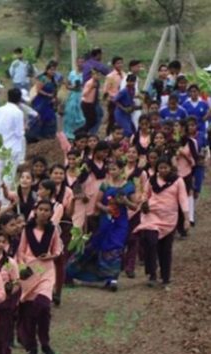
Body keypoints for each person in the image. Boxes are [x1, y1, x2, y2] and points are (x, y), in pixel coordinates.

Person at [67, 158, 137, 291]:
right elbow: (97, 202)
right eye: (110, 169)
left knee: (116, 247)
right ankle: (75, 271)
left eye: (114, 169)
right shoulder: (105, 185)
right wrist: (106, 209)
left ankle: (113, 278)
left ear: (121, 170)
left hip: (120, 222)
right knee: (102, 246)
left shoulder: (129, 186)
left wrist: (126, 202)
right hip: (106, 221)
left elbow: (134, 206)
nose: (112, 172)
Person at [134, 157, 189, 287]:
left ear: (170, 168)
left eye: (165, 168)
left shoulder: (177, 181)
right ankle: (152, 273)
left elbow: (183, 199)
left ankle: (165, 277)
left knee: (165, 248)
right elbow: (145, 195)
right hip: (152, 215)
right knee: (150, 242)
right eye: (160, 168)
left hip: (169, 218)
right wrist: (143, 202)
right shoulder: (152, 180)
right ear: (157, 169)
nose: (163, 170)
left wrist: (186, 218)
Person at [17, 200, 62, 354]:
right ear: (35, 211)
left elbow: (57, 249)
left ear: (51, 213)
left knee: (42, 306)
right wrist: (22, 267)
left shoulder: (53, 230)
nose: (43, 212)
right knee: (29, 310)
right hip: (31, 269)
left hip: (46, 268)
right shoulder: (27, 230)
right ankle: (32, 344)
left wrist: (50, 255)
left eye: (47, 210)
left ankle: (45, 341)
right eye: (40, 209)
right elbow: (21, 251)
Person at [0, 88, 28, 184]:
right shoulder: (18, 113)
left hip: (0, 147)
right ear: (20, 99)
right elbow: (19, 133)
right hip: (12, 148)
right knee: (9, 176)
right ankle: (5, 198)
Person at [29, 61, 59, 140]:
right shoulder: (43, 78)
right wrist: (47, 95)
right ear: (47, 70)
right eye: (51, 70)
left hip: (49, 102)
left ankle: (48, 135)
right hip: (41, 101)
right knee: (39, 117)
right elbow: (38, 90)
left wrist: (54, 98)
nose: (53, 72)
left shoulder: (53, 79)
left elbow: (55, 90)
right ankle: (36, 135)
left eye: (54, 70)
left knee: (50, 117)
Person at [64, 57, 86, 140]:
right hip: (73, 95)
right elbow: (67, 85)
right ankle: (69, 133)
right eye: (79, 62)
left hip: (82, 95)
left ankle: (80, 133)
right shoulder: (72, 73)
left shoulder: (86, 74)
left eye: (82, 62)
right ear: (76, 63)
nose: (81, 64)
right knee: (70, 113)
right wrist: (72, 87)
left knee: (81, 114)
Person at [103, 56, 125, 135]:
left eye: (121, 63)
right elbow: (106, 89)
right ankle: (108, 135)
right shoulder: (110, 76)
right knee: (112, 119)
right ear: (114, 65)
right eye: (118, 63)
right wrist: (109, 98)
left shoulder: (124, 75)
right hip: (113, 100)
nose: (120, 65)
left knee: (120, 119)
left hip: (122, 100)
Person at [81, 68, 102, 134]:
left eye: (99, 75)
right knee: (90, 122)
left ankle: (85, 133)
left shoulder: (97, 82)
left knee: (93, 121)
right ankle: (80, 132)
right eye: (96, 75)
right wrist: (91, 87)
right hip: (86, 104)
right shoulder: (89, 83)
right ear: (92, 75)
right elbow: (84, 94)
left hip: (92, 104)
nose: (98, 76)